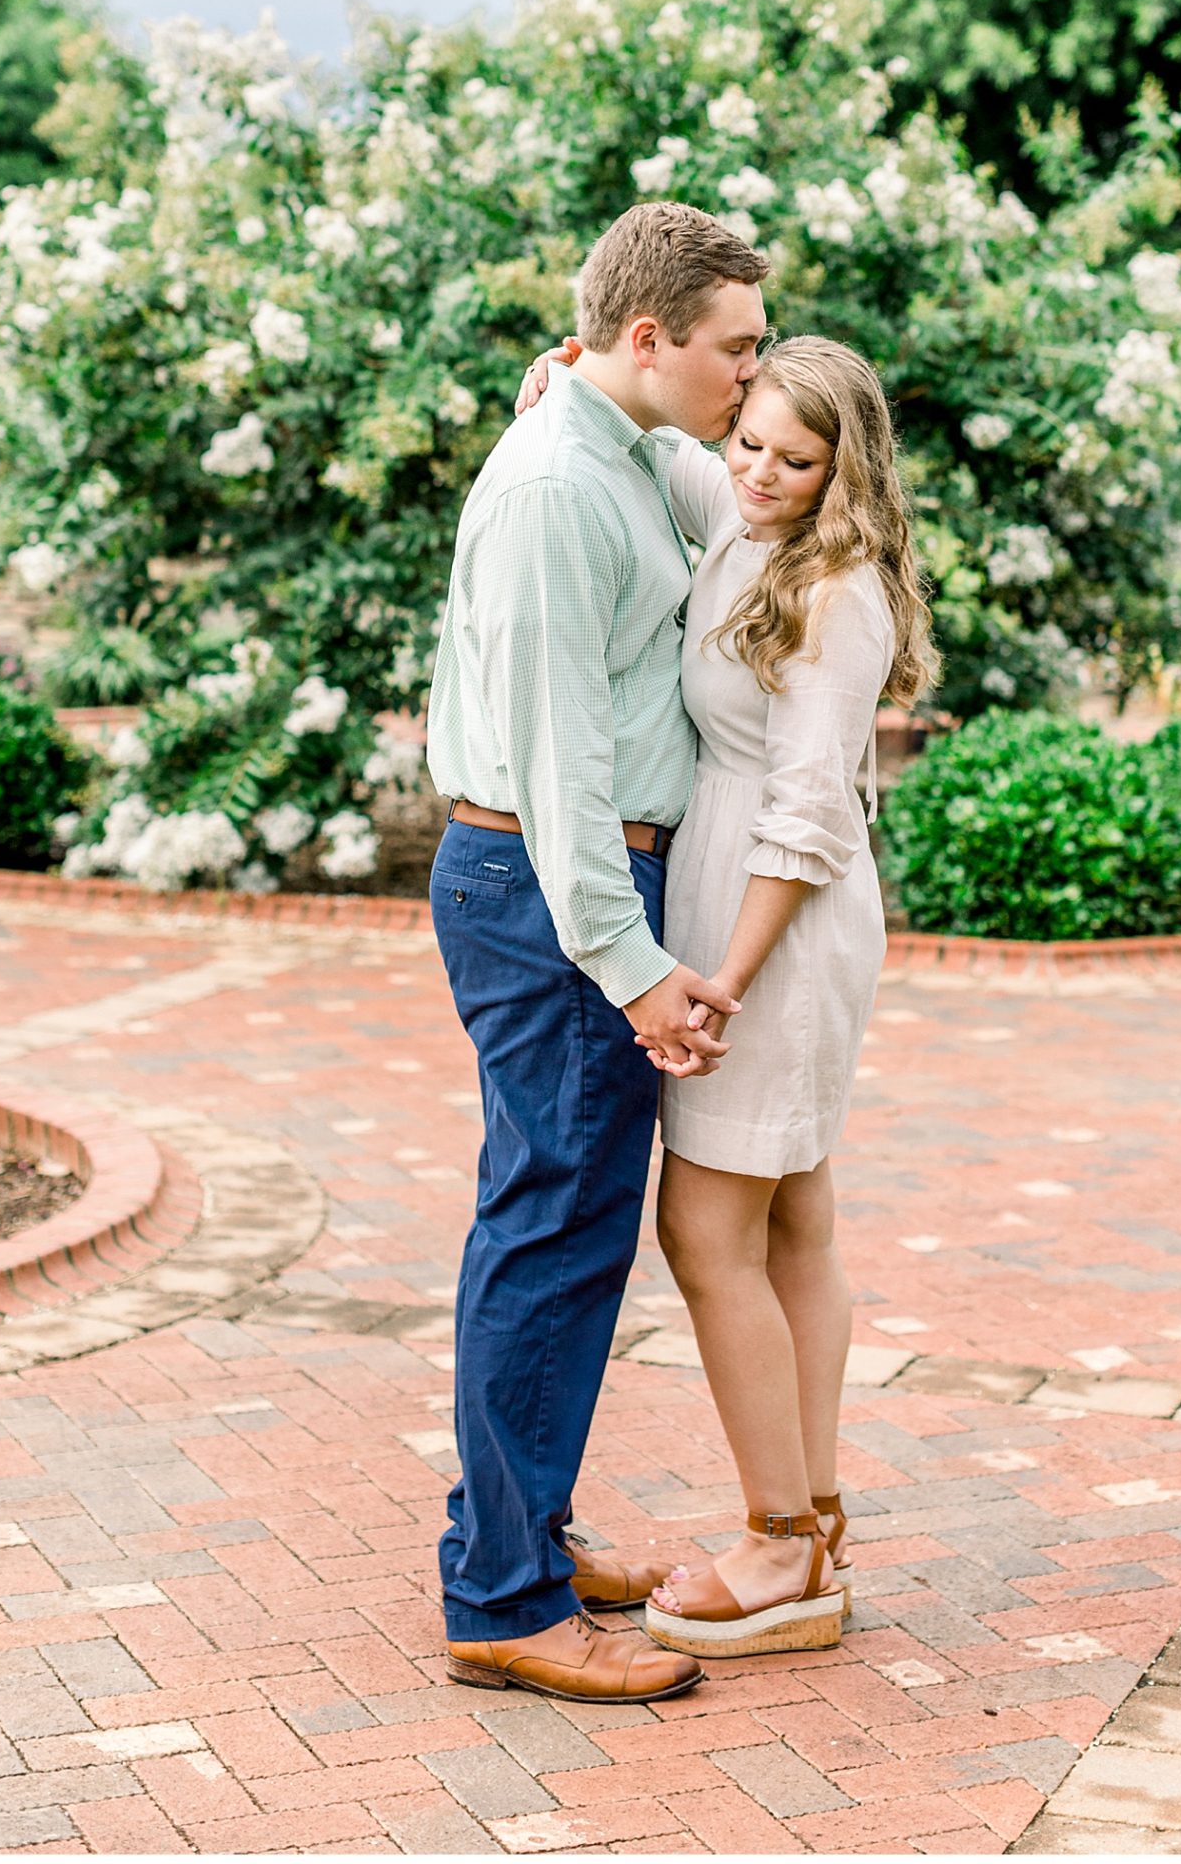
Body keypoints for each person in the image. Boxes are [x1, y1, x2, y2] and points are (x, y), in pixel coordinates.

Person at [516, 330, 935, 1658]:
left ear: (842, 471)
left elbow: (810, 814)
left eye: (792, 459)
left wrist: (724, 988)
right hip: (732, 906)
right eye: (748, 438)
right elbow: (670, 452)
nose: (756, 469)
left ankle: (772, 1547)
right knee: (794, 1220)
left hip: (773, 926)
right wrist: (567, 376)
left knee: (707, 1235)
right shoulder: (743, 517)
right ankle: (808, 1523)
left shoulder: (837, 587)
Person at [425, 203, 769, 1706]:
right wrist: (630, 966)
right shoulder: (560, 488)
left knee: (561, 1237)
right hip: (549, 887)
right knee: (548, 1239)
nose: (749, 386)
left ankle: (525, 1544)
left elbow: (751, 497)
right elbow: (561, 769)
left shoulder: (621, 447)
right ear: (648, 339)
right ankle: (501, 1598)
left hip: (560, 887)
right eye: (734, 354)